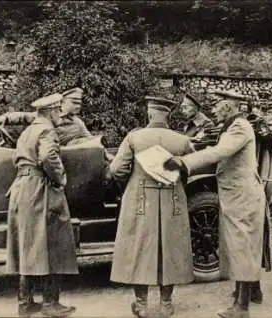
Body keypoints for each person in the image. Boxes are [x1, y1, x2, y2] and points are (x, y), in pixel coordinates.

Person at [164, 90, 267, 318]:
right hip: (238, 195)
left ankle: (241, 308)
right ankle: (248, 294)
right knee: (242, 246)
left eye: (216, 105)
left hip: (242, 196)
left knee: (242, 247)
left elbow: (220, 151)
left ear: (228, 107)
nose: (212, 109)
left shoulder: (239, 127)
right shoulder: (233, 126)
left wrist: (183, 162)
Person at [109, 96, 195, 318]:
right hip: (173, 198)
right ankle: (166, 303)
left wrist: (128, 185)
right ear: (167, 116)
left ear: (149, 115)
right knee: (171, 247)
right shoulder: (182, 141)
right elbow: (191, 168)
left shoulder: (134, 137)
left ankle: (141, 304)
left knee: (141, 247)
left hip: (140, 199)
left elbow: (117, 169)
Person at [5, 93, 78, 317]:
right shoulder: (47, 130)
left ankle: (25, 304)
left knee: (28, 245)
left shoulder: (28, 131)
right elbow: (48, 156)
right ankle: (50, 303)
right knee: (53, 242)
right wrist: (60, 178)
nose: (60, 115)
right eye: (58, 111)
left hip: (22, 187)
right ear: (51, 112)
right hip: (40, 189)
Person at [0, 87, 94, 146]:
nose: (78, 106)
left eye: (79, 103)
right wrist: (5, 118)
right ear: (64, 102)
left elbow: (92, 142)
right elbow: (23, 116)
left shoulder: (78, 123)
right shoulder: (47, 116)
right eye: (74, 102)